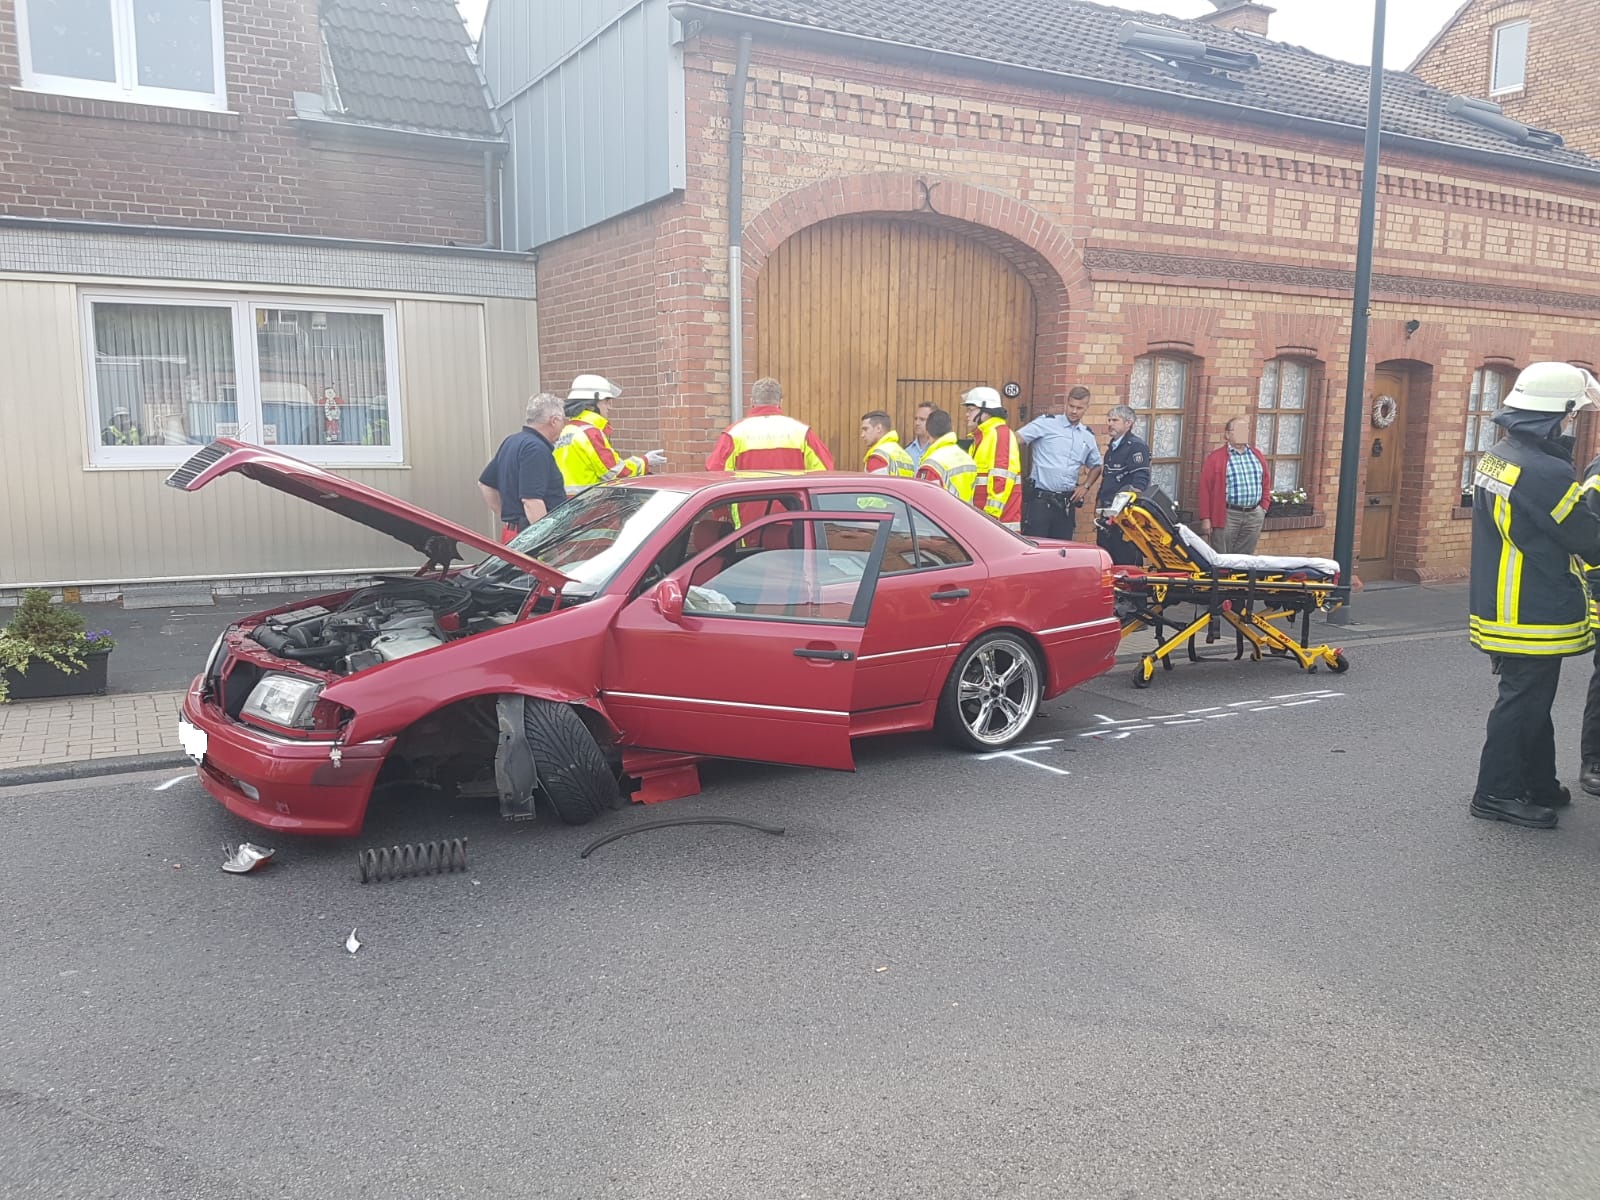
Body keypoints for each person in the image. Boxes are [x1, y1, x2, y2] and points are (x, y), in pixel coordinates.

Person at [1469, 361, 1600, 828]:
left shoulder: (1501, 453)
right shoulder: (1544, 470)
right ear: (1554, 414)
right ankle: (1496, 793)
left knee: (1530, 698)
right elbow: (1588, 539)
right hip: (1533, 605)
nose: (1572, 424)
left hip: (1505, 601)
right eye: (1571, 416)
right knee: (1522, 700)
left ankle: (1537, 781)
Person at [553, 372, 666, 496]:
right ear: (591, 406)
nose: (609, 407)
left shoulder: (568, 430)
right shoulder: (590, 433)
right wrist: (645, 461)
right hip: (591, 506)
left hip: (569, 507)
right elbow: (617, 473)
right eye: (606, 402)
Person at [478, 392, 568, 543]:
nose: (563, 426)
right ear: (554, 420)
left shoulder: (512, 441)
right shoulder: (536, 449)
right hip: (530, 539)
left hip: (513, 533)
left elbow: (485, 484)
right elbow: (531, 500)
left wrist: (509, 517)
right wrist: (546, 541)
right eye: (562, 421)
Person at [1018, 385, 1102, 540]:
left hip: (1066, 504)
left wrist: (1086, 486)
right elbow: (1017, 439)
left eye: (1079, 408)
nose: (1074, 411)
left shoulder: (1087, 435)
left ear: (1086, 408)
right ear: (1066, 403)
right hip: (1040, 502)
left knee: (1063, 551)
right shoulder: (1046, 423)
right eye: (1071, 406)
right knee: (1035, 550)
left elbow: (1097, 466)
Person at [705, 377, 834, 471]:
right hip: (793, 508)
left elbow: (715, 473)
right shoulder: (802, 432)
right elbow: (825, 470)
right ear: (780, 402)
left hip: (749, 508)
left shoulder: (734, 434)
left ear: (752, 402)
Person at [1197, 416, 1271, 553]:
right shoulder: (1215, 458)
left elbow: (1266, 482)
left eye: (1245, 430)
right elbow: (1205, 490)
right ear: (1227, 435)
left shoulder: (1257, 455)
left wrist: (1263, 508)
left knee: (1245, 560)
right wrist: (1206, 518)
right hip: (1228, 514)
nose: (1242, 433)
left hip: (1254, 515)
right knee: (1223, 558)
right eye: (1238, 430)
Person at [1096, 403, 1152, 566]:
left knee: (1125, 560)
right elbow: (1107, 479)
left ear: (1128, 423)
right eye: (1109, 420)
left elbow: (1140, 481)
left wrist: (1126, 509)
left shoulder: (1135, 446)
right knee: (1107, 560)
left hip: (1124, 517)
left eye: (1115, 420)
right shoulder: (1112, 448)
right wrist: (1099, 503)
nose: (1110, 424)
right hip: (1107, 514)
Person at [962, 386, 1022, 530]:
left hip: (997, 526)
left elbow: (1001, 479)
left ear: (986, 411)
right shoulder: (983, 437)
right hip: (985, 522)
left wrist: (990, 519)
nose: (966, 415)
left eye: (971, 409)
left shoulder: (1000, 434)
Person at [914, 408, 977, 502]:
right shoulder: (967, 458)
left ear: (928, 432)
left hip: (942, 515)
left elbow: (926, 502)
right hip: (966, 515)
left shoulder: (932, 464)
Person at [859, 411, 915, 477]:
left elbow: (875, 485)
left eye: (866, 429)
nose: (862, 435)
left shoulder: (878, 456)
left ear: (878, 428)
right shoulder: (905, 455)